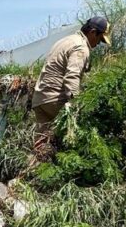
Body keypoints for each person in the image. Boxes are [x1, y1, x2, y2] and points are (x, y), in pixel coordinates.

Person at [31, 16, 111, 152]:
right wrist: (77, 105)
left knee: (42, 145)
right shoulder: (81, 47)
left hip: (40, 99)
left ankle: (36, 168)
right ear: (92, 32)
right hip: (55, 99)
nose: (99, 43)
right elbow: (72, 77)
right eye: (100, 39)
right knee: (74, 140)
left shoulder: (65, 40)